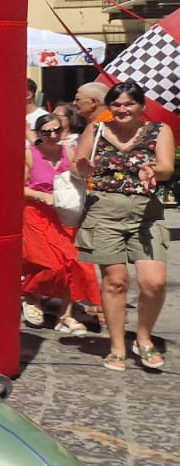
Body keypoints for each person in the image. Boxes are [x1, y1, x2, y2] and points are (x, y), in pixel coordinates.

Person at [73, 81, 175, 371]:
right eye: (116, 104)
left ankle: (143, 338)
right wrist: (82, 169)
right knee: (115, 282)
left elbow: (167, 168)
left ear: (142, 106)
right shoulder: (96, 130)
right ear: (109, 107)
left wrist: (153, 170)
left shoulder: (159, 130)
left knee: (153, 283)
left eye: (129, 103)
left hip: (146, 213)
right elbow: (77, 166)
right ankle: (117, 345)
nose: (122, 109)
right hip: (104, 211)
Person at [21, 112, 103, 335]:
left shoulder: (69, 152)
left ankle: (65, 315)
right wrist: (42, 196)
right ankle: (31, 297)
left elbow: (80, 177)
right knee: (47, 263)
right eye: (46, 132)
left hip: (65, 214)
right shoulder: (29, 154)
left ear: (63, 131)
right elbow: (17, 186)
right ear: (38, 134)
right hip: (37, 214)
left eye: (56, 130)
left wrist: (87, 172)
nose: (52, 135)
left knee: (75, 263)